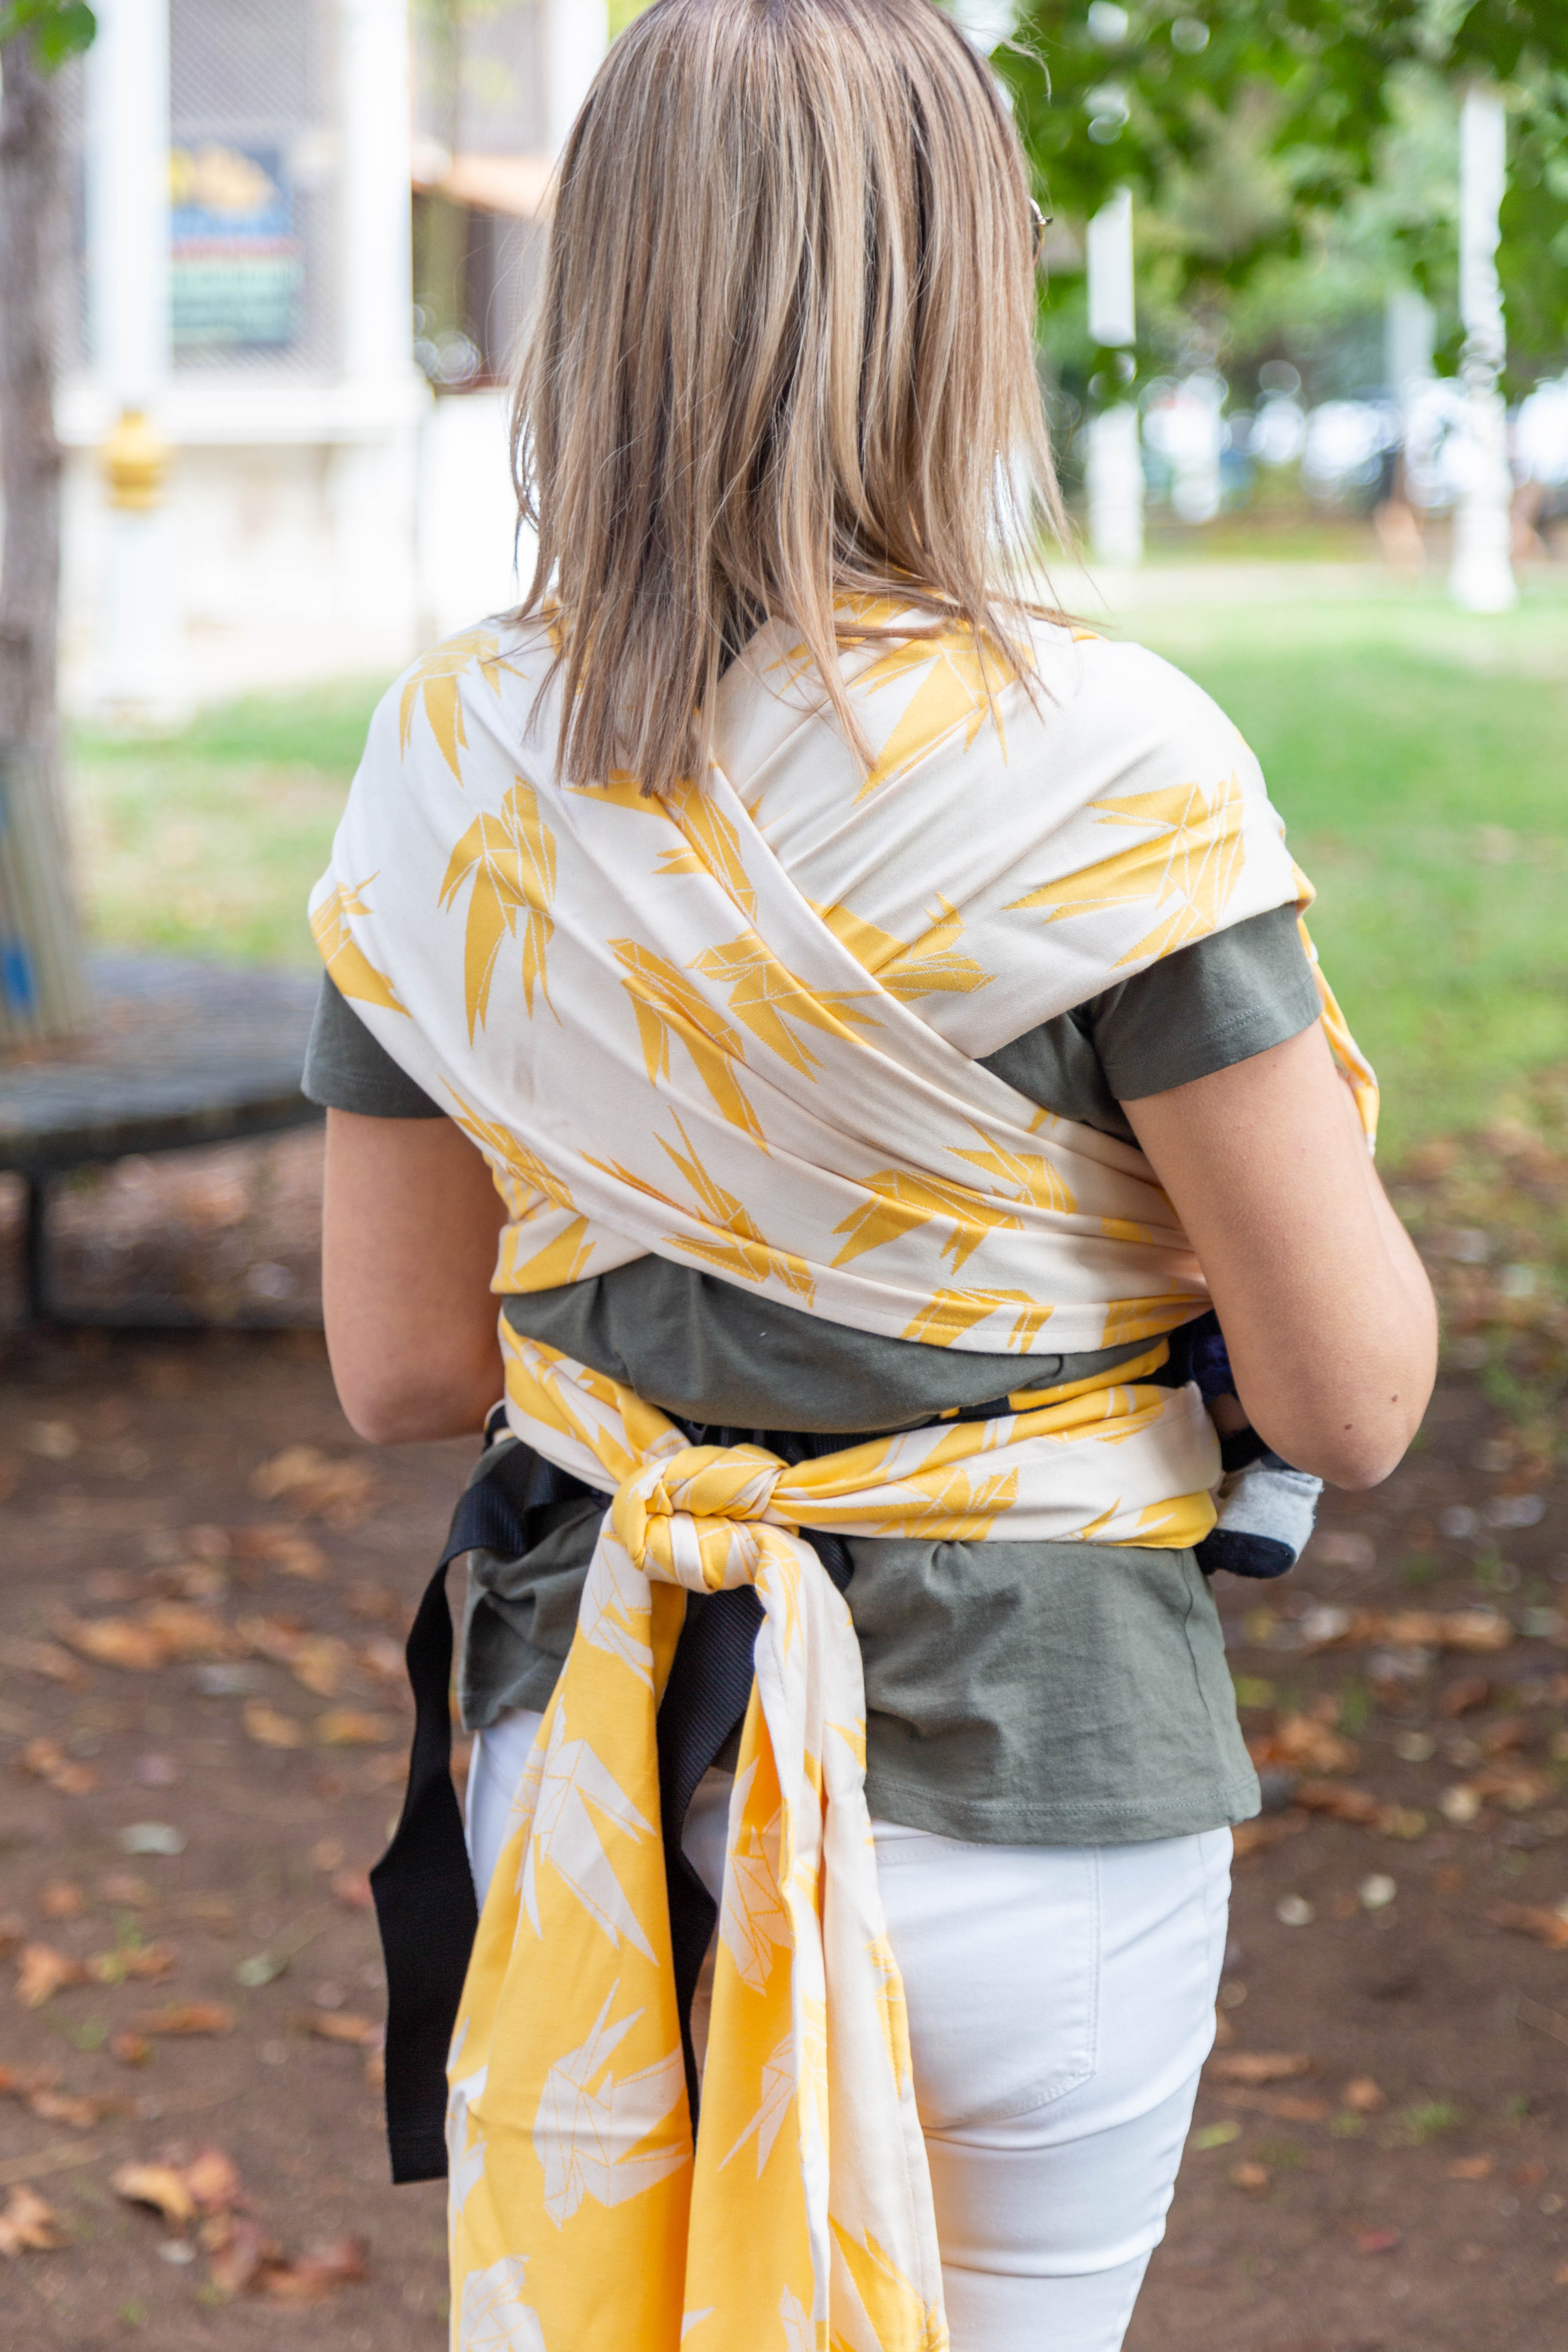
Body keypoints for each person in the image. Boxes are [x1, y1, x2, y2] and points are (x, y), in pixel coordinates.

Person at [304, 5, 1436, 2347]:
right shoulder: (1106, 773)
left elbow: (405, 1365)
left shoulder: (452, 765)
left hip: (603, 1762)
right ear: (960, 302)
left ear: (602, 295)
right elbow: (1351, 1397)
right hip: (1024, 1783)